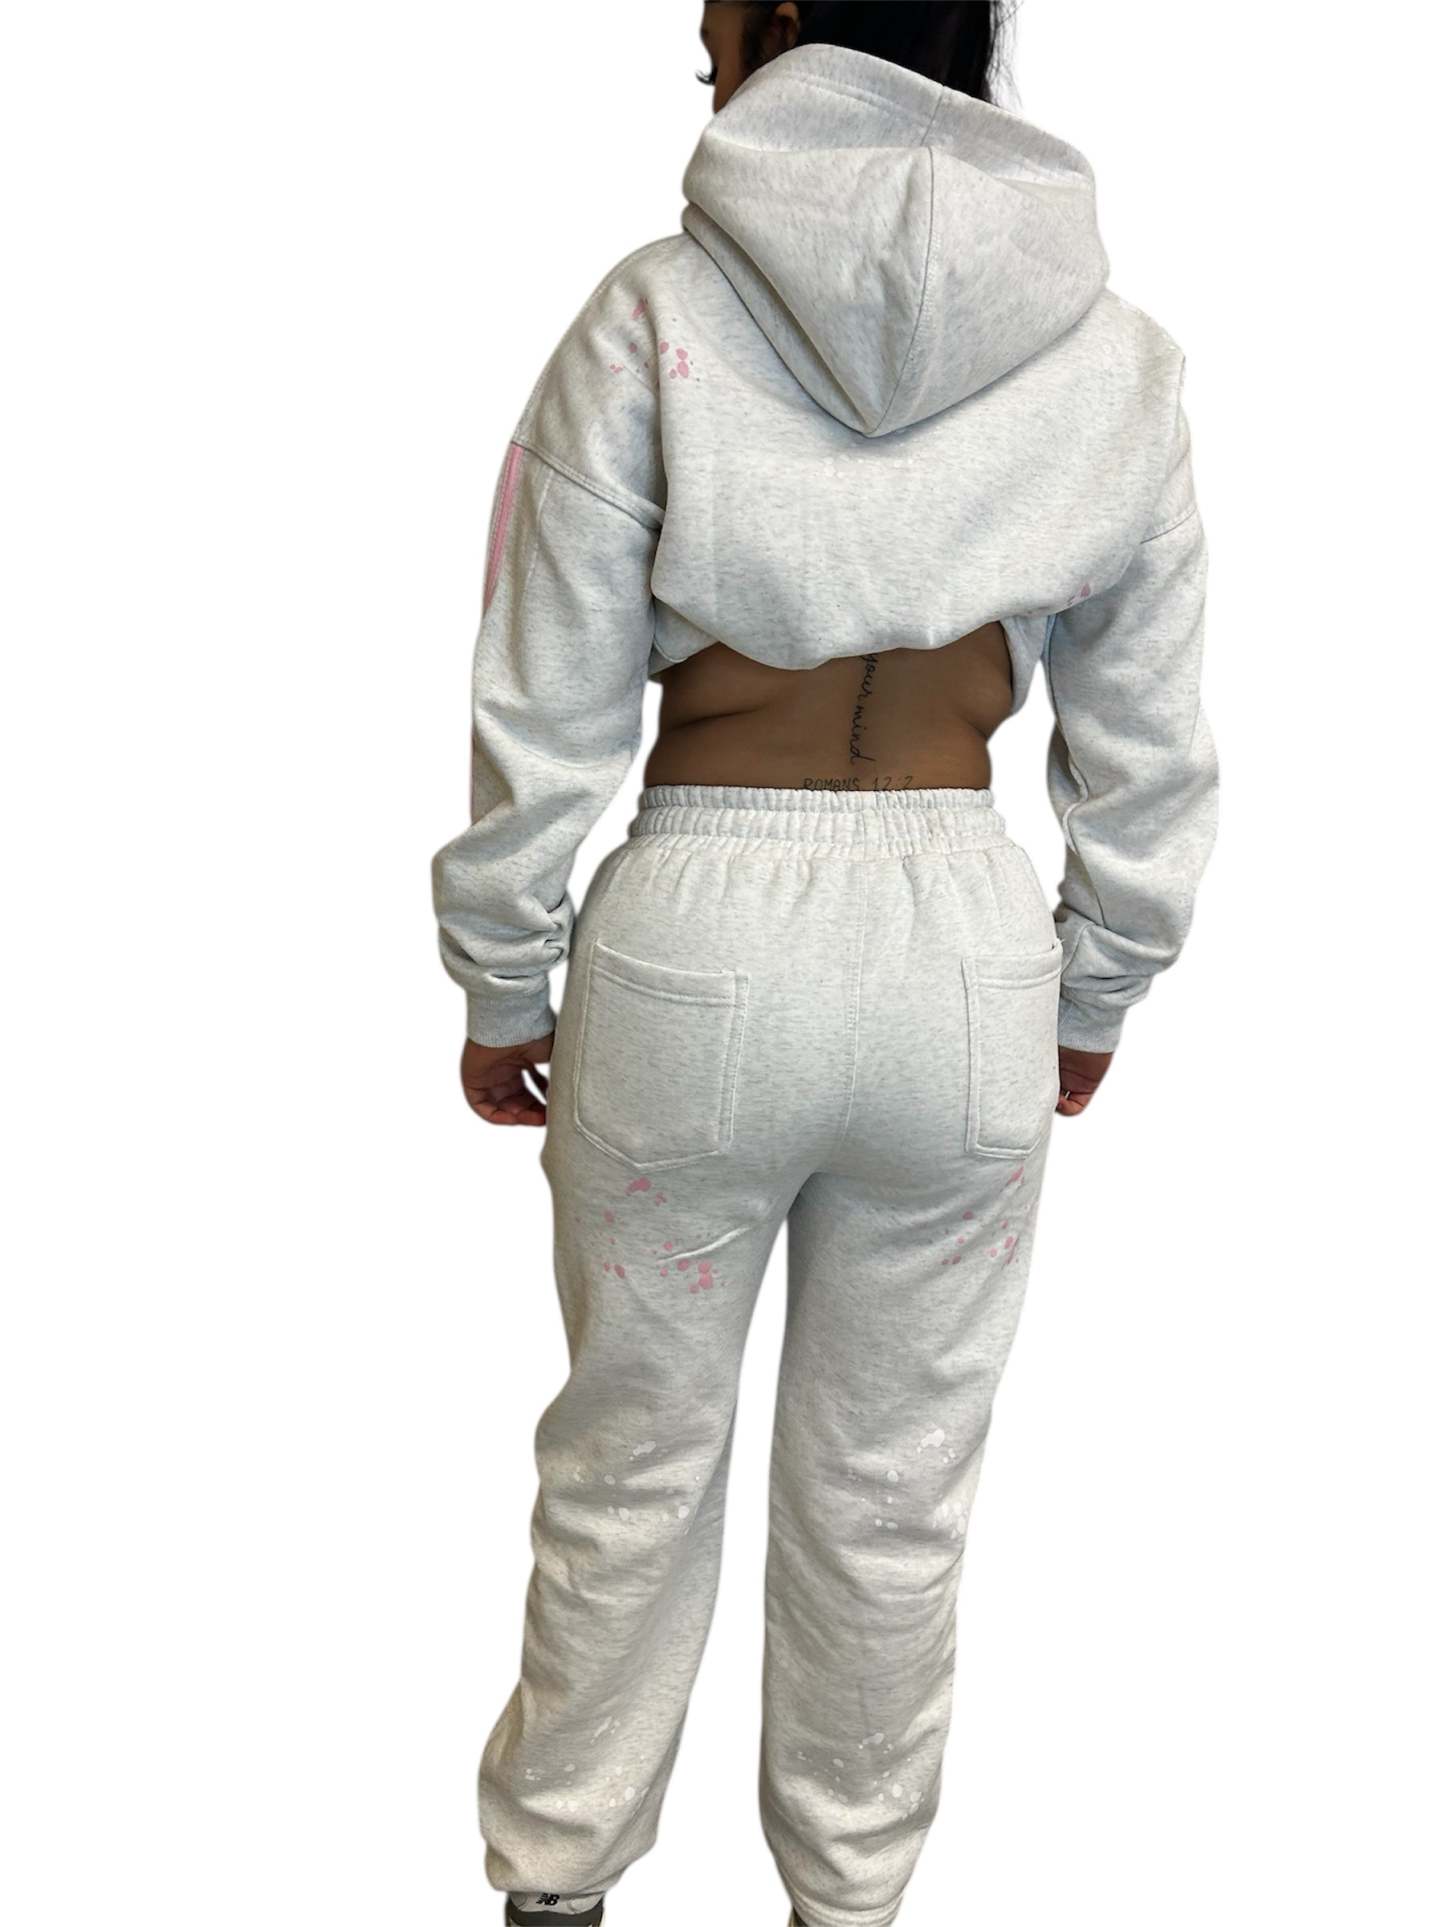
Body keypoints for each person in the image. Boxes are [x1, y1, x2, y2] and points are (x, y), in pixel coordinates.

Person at [431, 5, 1219, 1924]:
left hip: (691, 944)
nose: (688, 30)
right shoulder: (1112, 358)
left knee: (629, 1467)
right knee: (892, 1495)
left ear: (786, 19)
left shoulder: (650, 314)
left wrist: (503, 978)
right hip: (961, 957)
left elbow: (541, 698)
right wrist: (1093, 987)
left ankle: (555, 1887)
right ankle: (849, 1901)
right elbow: (1148, 740)